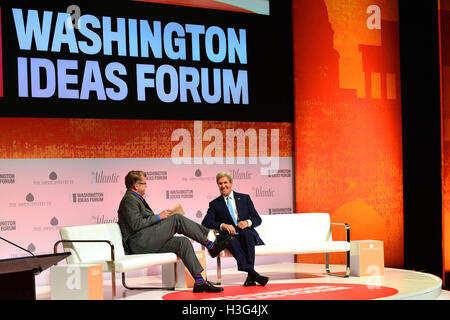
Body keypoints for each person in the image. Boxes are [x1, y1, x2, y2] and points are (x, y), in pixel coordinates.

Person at [117, 170, 231, 293]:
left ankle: (200, 282)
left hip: (147, 240)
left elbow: (143, 222)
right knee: (177, 219)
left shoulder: (137, 198)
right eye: (144, 183)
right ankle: (210, 244)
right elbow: (136, 224)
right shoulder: (130, 199)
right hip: (138, 243)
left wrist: (161, 218)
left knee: (183, 242)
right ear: (136, 185)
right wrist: (159, 217)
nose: (146, 186)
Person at [201, 171, 269, 287]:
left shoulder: (244, 198)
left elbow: (257, 219)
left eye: (225, 182)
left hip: (244, 232)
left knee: (247, 235)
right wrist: (223, 225)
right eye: (220, 183)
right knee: (231, 240)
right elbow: (206, 222)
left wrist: (247, 223)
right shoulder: (215, 204)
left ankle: (251, 275)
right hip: (228, 236)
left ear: (231, 183)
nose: (223, 186)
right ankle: (253, 274)